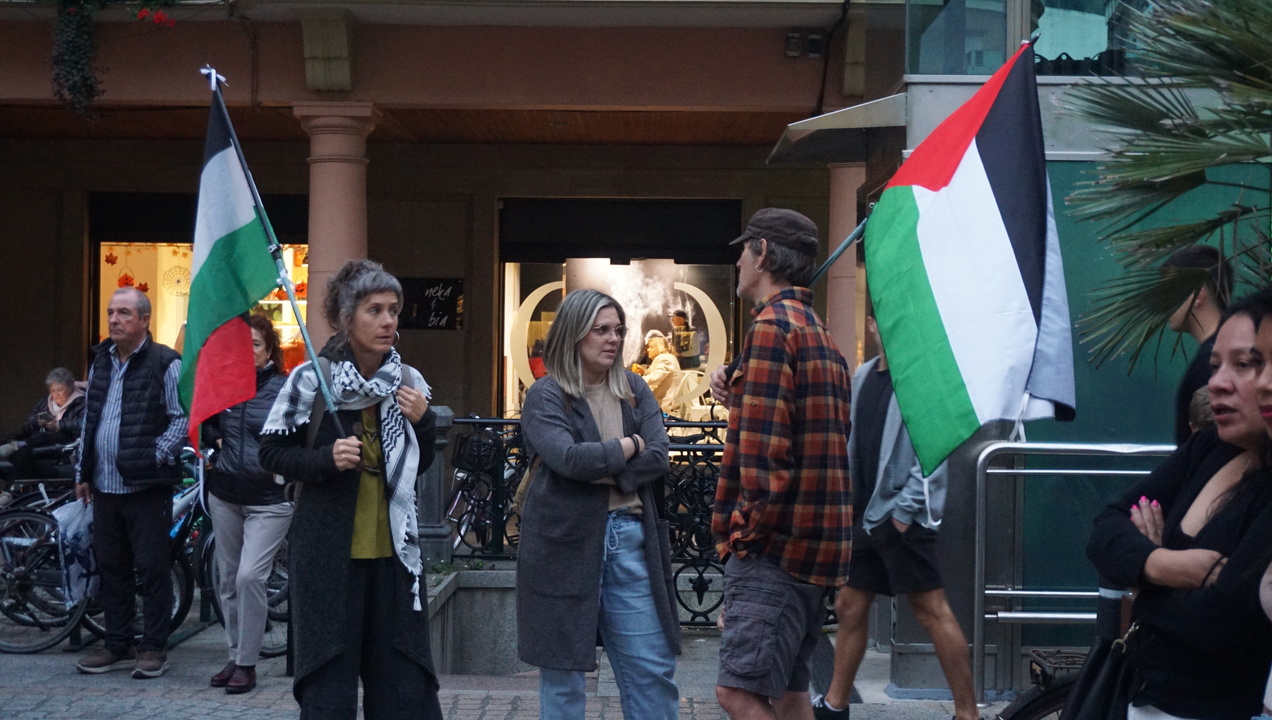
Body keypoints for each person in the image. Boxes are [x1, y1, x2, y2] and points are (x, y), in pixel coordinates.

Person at [258, 259, 441, 720]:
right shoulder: (311, 380)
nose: (387, 321)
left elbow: (420, 464)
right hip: (328, 560)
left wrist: (424, 422)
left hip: (395, 561)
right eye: (374, 310)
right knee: (330, 691)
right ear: (345, 318)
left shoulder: (407, 382)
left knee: (402, 689)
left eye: (393, 310)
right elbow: (272, 454)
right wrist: (326, 459)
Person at [1087, 290, 1272, 720]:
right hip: (1142, 695)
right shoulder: (1208, 449)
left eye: (1245, 364)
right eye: (1214, 366)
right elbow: (1107, 526)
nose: (1217, 383)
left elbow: (1223, 623)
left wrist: (1140, 587)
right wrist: (1163, 565)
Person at [709, 208, 852, 720]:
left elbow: (766, 461)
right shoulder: (819, 332)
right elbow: (805, 433)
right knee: (791, 695)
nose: (738, 262)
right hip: (815, 550)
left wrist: (741, 542)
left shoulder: (772, 329)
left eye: (744, 251)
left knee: (738, 693)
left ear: (763, 253)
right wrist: (739, 393)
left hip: (776, 552)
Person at [516, 289, 680, 720]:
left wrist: (605, 467)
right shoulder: (547, 394)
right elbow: (568, 459)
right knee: (563, 678)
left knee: (652, 670)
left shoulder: (633, 388)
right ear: (574, 333)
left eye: (618, 330)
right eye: (601, 330)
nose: (613, 339)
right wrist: (630, 445)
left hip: (631, 539)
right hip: (562, 543)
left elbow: (660, 456)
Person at [811, 313, 976, 720]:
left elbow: (935, 447)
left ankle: (968, 713)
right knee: (850, 605)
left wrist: (904, 513)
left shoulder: (919, 377)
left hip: (903, 521)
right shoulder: (864, 375)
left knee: (931, 610)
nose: (890, 329)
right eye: (883, 321)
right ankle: (835, 705)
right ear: (871, 325)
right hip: (867, 516)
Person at [73, 286, 187, 679]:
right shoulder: (101, 361)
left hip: (146, 487)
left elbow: (181, 419)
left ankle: (153, 648)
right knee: (112, 567)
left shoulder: (165, 362)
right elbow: (90, 419)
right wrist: (82, 472)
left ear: (144, 320)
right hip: (104, 486)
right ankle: (118, 644)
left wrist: (154, 455)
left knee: (153, 568)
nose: (114, 320)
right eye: (111, 312)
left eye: (123, 313)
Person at [202, 314, 291, 694]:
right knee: (227, 580)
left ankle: (248, 664)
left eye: (254, 344)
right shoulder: (224, 385)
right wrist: (214, 443)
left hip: (269, 500)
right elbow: (205, 423)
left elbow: (300, 435)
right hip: (225, 494)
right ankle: (235, 655)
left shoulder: (284, 389)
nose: (247, 351)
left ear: (269, 351)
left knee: (249, 576)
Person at [1164, 245, 1231, 446]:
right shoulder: (1218, 354)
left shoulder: (1212, 363)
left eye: (1168, 292)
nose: (1162, 304)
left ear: (1197, 295)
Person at [0, 367, 86, 487]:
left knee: (46, 436)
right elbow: (26, 425)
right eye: (53, 390)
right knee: (23, 452)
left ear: (70, 387)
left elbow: (84, 424)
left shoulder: (81, 402)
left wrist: (59, 425)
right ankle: (11, 491)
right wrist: (37, 422)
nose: (56, 394)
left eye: (60, 390)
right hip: (38, 442)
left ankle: (18, 445)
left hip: (67, 443)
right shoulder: (45, 402)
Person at [639, 331, 680, 414]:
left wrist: (637, 381)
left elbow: (657, 377)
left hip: (661, 403)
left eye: (651, 347)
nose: (648, 350)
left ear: (659, 348)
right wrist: (644, 372)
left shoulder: (664, 358)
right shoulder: (667, 357)